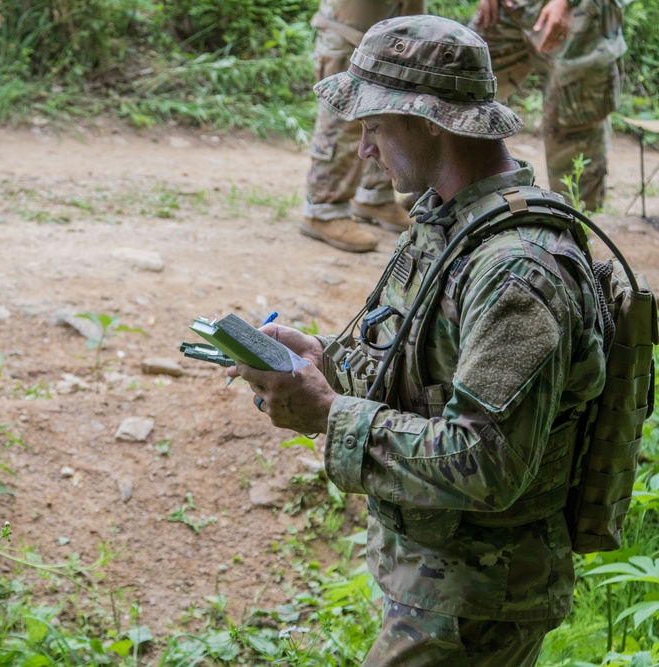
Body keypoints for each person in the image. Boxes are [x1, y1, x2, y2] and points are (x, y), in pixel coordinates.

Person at [231, 15, 606, 665]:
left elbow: (489, 462)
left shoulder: (517, 271)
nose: (367, 150)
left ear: (430, 121)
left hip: (478, 603)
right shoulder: (451, 218)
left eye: (374, 127)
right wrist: (324, 360)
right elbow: (419, 359)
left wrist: (328, 412)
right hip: (442, 579)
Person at [470, 0, 626, 211]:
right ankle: (436, 218)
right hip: (510, 7)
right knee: (465, 86)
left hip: (581, 11)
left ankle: (575, 230)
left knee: (574, 127)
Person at [301, 0, 426, 253]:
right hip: (350, 25)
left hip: (393, 26)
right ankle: (323, 210)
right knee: (345, 116)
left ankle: (374, 197)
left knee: (387, 111)